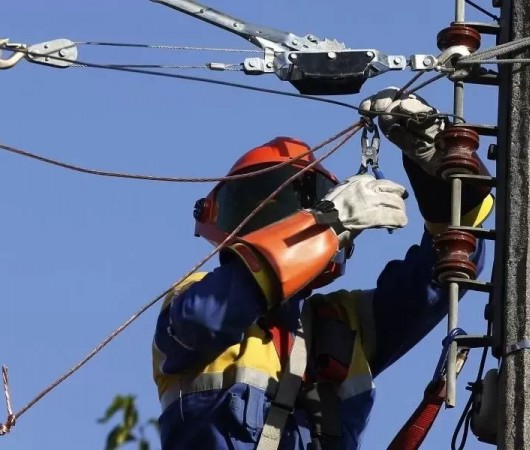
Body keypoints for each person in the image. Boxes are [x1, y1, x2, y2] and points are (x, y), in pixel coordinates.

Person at [150, 88, 495, 450]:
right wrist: (324, 225)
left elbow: (449, 268)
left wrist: (443, 167)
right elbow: (209, 317)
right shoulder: (192, 302)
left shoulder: (343, 324)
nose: (280, 217)